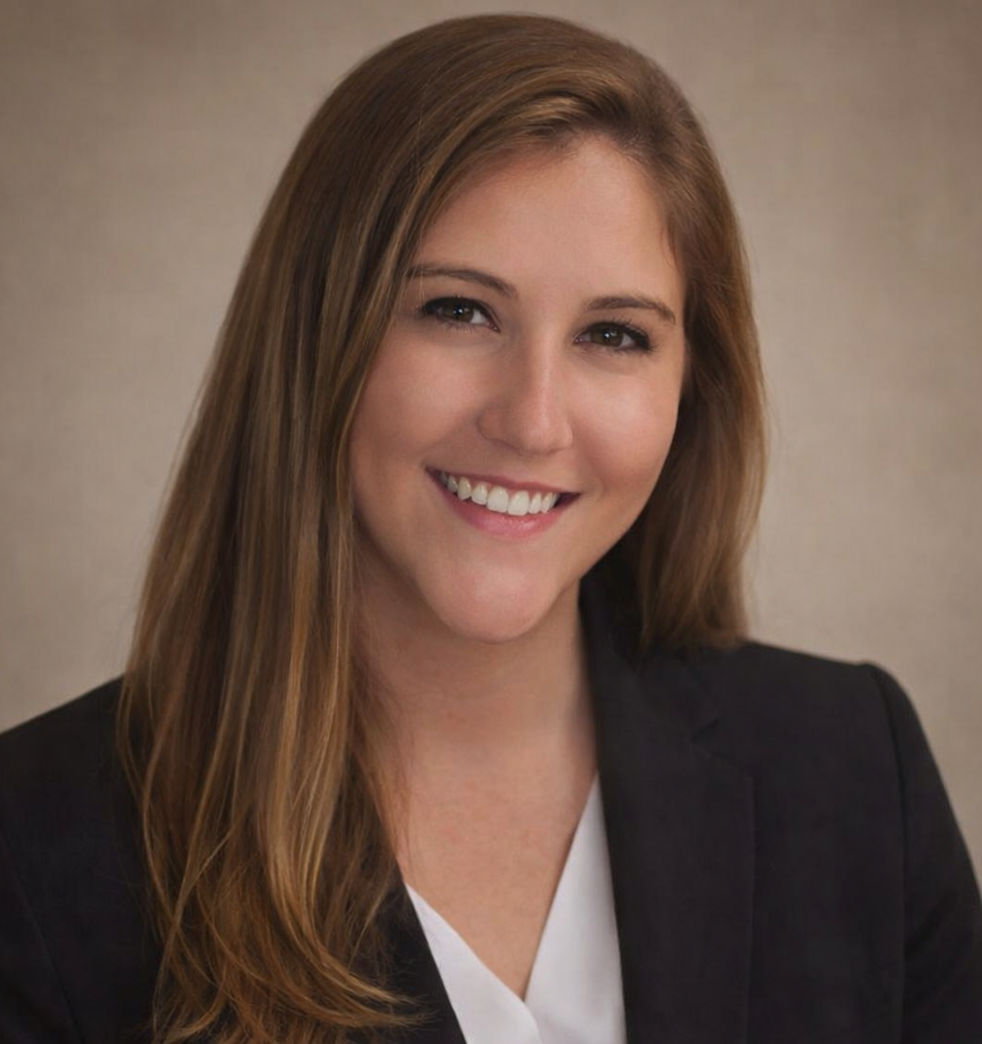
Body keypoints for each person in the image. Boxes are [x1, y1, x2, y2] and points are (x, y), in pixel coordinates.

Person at [1, 13, 980, 1044]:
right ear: (314, 336)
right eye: (459, 311)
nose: (533, 421)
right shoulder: (35, 847)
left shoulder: (854, 767)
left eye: (614, 334)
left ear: (693, 387)